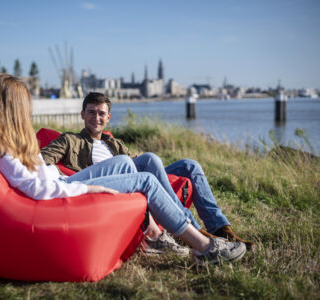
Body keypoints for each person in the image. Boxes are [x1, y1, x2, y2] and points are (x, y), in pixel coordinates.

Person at [0, 74, 246, 266]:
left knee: (156, 164)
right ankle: (203, 244)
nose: (27, 113)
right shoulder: (58, 141)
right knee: (143, 176)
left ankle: (207, 230)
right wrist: (90, 186)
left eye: (102, 113)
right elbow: (39, 181)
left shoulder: (1, 142)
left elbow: (35, 174)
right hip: (67, 183)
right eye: (91, 112)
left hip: (68, 180)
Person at [40, 92, 254, 253]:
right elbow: (42, 159)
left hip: (133, 172)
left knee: (190, 165)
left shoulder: (114, 143)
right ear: (82, 114)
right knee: (147, 158)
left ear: (108, 118)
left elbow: (135, 164)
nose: (96, 117)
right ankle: (194, 229)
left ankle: (222, 229)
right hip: (105, 180)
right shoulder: (70, 140)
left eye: (101, 113)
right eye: (91, 112)